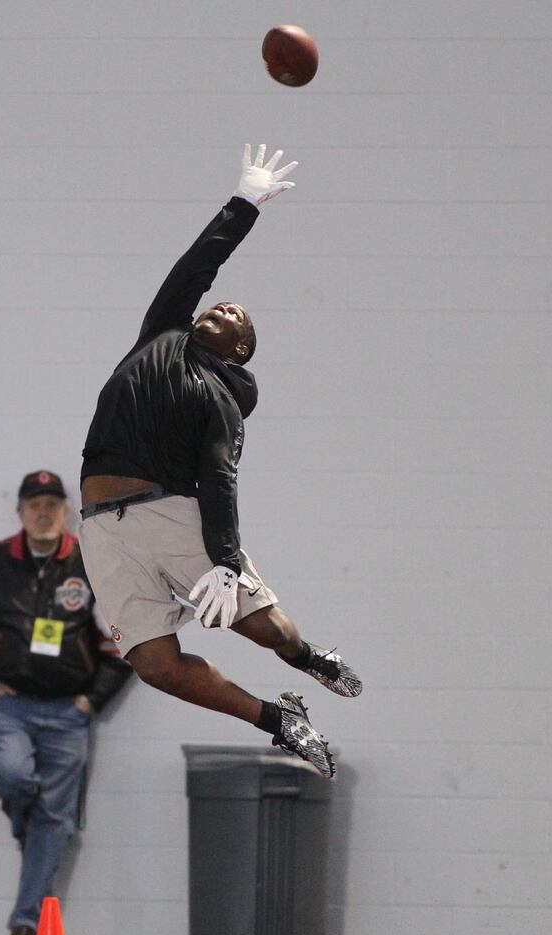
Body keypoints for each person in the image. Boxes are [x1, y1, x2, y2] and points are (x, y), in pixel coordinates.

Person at [78, 144, 361, 780]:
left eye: (238, 317)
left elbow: (219, 477)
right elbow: (196, 269)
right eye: (221, 304)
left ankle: (308, 655)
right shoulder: (162, 335)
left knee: (268, 632)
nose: (223, 306)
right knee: (153, 666)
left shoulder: (219, 396)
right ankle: (279, 720)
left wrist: (227, 564)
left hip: (169, 511)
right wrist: (245, 203)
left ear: (240, 350)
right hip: (100, 525)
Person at [0, 470, 131, 935]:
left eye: (53, 503)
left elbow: (126, 637)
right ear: (21, 512)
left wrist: (93, 699)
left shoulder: (93, 561)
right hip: (11, 708)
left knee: (54, 817)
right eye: (34, 503)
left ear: (66, 512)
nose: (43, 511)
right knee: (14, 777)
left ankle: (25, 924)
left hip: (70, 712)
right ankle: (33, 827)